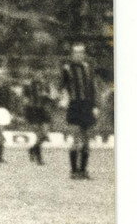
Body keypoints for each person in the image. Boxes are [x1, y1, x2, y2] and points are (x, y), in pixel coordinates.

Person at [60, 42, 100, 179]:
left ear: (84, 54)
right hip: (75, 105)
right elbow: (62, 86)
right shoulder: (67, 68)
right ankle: (73, 171)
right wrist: (63, 97)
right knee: (76, 139)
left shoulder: (88, 68)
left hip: (87, 106)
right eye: (76, 52)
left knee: (87, 139)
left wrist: (95, 106)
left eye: (81, 52)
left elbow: (92, 88)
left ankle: (83, 170)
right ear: (72, 54)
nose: (79, 55)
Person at [23, 72, 55, 165]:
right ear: (33, 76)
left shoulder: (46, 85)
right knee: (39, 134)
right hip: (32, 110)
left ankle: (32, 149)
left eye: (41, 75)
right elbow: (25, 100)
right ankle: (39, 158)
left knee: (44, 134)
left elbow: (51, 98)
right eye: (37, 75)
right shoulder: (28, 86)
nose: (39, 76)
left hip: (43, 111)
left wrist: (48, 96)